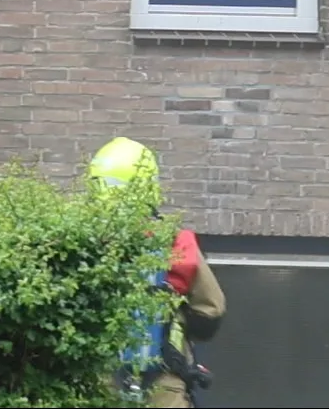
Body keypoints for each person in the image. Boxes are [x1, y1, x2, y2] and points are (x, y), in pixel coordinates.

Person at [87, 137, 226, 409]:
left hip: (100, 384)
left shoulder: (83, 244)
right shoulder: (175, 242)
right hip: (164, 387)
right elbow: (212, 311)